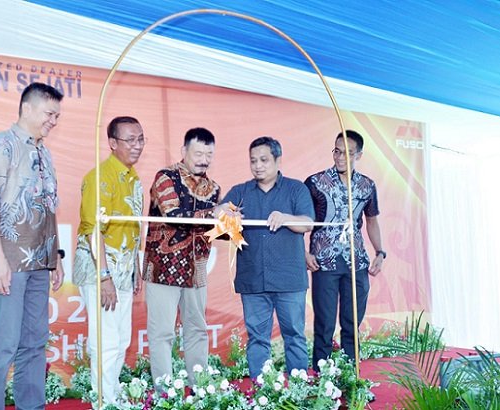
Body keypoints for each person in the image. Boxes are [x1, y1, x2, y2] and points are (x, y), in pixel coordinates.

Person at [0, 82, 65, 410]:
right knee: (3, 345)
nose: (53, 121)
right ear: (27, 108)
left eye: (57, 116)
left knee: (35, 343)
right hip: (9, 261)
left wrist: (56, 257)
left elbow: (48, 207)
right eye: (49, 114)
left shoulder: (44, 152)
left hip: (40, 261)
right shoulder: (1, 145)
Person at [220, 136, 314, 378]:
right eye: (253, 161)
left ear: (278, 160)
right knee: (257, 338)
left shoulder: (296, 189)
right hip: (253, 279)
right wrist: (225, 216)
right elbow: (219, 217)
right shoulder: (240, 192)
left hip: (289, 280)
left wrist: (286, 218)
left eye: (263, 160)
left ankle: (298, 388)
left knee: (294, 335)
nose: (258, 166)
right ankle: (261, 390)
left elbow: (307, 223)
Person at [73, 116, 145, 405]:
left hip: (125, 270)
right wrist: (104, 277)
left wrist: (136, 267)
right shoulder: (99, 177)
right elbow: (93, 231)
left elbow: (133, 227)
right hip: (100, 270)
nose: (137, 145)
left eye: (141, 139)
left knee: (122, 339)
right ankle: (103, 401)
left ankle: (113, 396)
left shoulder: (133, 178)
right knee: (106, 340)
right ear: (112, 143)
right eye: (130, 140)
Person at [143, 127, 221, 387]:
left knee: (197, 330)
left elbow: (213, 230)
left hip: (196, 270)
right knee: (162, 333)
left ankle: (200, 389)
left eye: (209, 155)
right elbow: (173, 215)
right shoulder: (165, 177)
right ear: (183, 151)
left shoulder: (214, 188)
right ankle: (165, 393)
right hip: (163, 269)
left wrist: (231, 224)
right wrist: (214, 214)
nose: (204, 160)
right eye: (198, 153)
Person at [304, 130, 385, 371]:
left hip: (356, 261)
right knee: (324, 324)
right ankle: (322, 378)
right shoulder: (315, 182)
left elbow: (372, 221)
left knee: (352, 323)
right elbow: (300, 220)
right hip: (324, 261)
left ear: (358, 155)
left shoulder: (367, 186)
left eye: (347, 153)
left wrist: (380, 252)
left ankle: (351, 375)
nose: (340, 157)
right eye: (337, 151)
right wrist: (303, 253)